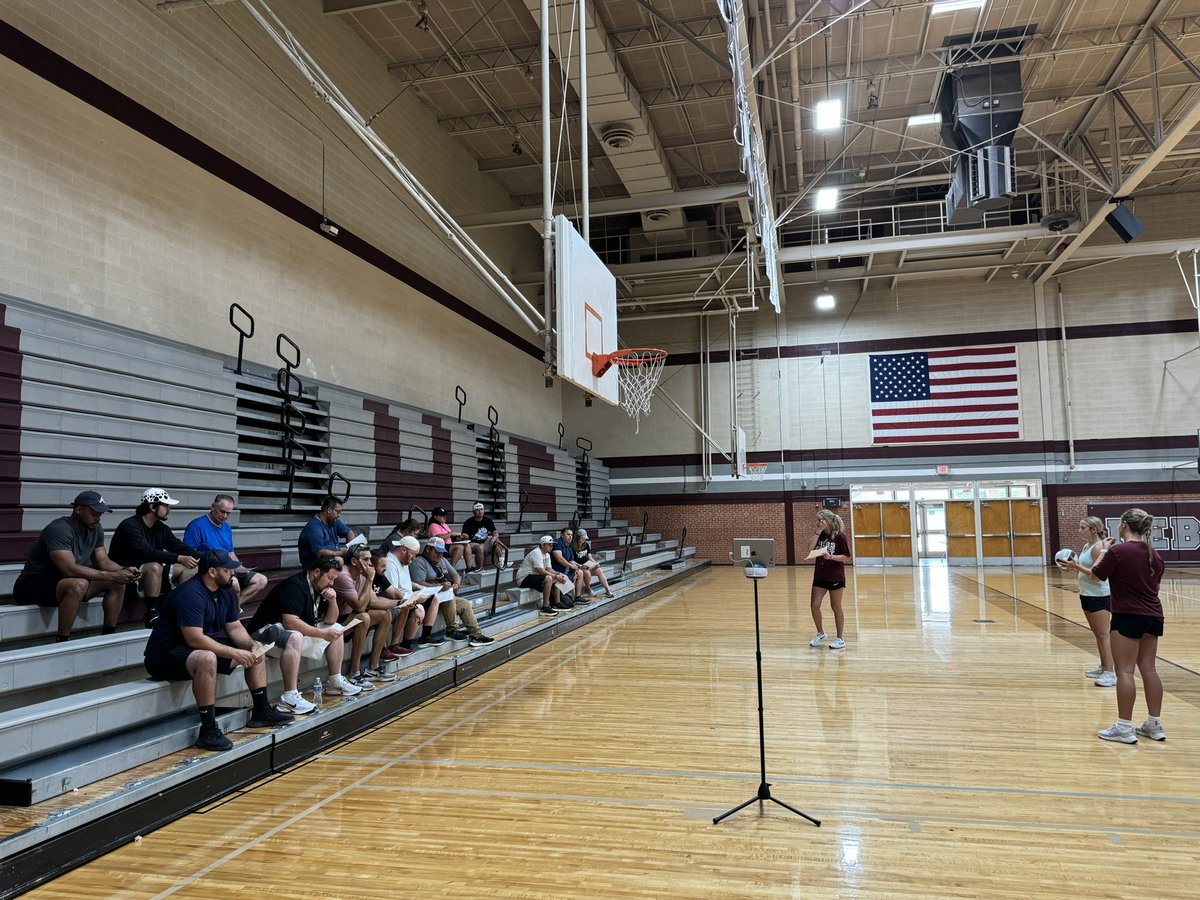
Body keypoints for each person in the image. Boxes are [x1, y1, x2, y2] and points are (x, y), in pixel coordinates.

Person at [144, 550, 294, 751]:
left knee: (255, 651)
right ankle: (208, 731)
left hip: (196, 648)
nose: (233, 573)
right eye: (227, 569)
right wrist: (234, 653)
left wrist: (250, 645)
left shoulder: (225, 591)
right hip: (164, 655)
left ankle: (262, 711)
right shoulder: (191, 593)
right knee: (207, 658)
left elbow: (234, 627)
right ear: (212, 572)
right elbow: (194, 638)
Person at [12, 490, 139, 641]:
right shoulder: (59, 529)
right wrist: (111, 574)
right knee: (78, 584)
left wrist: (123, 571)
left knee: (117, 582)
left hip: (62, 582)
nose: (98, 518)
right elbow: (68, 569)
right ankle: (62, 640)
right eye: (94, 513)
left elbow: (103, 561)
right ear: (78, 510)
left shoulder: (95, 528)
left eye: (100, 514)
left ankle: (108, 635)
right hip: (32, 583)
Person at [1091, 508, 1166, 744]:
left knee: (1124, 671)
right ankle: (1154, 725)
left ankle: (1124, 727)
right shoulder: (1154, 554)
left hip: (1127, 615)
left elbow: (1096, 575)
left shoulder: (1118, 551)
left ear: (1123, 525)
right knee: (1149, 669)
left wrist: (1103, 550)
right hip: (1154, 615)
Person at [246, 556, 363, 698]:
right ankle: (290, 695)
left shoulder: (321, 587)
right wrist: (321, 634)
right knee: (295, 636)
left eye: (334, 580)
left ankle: (335, 681)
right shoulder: (295, 586)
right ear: (316, 572)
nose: (331, 584)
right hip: (263, 633)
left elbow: (330, 620)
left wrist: (332, 601)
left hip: (288, 634)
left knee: (337, 629)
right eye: (329, 578)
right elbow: (290, 622)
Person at [108, 488, 200, 627]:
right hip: (124, 573)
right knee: (155, 566)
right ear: (152, 506)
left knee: (188, 568)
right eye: (166, 505)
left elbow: (179, 547)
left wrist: (210, 558)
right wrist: (179, 558)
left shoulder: (161, 528)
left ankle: (177, 609)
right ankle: (151, 613)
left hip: (147, 574)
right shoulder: (130, 525)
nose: (169, 509)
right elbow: (147, 552)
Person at [332, 544, 409, 685]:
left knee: (385, 614)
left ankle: (372, 669)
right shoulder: (344, 576)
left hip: (349, 617)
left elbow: (373, 601)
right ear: (354, 562)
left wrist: (400, 603)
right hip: (334, 623)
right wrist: (369, 580)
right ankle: (353, 673)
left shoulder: (362, 574)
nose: (370, 564)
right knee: (363, 617)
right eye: (366, 560)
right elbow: (360, 607)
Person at [1056, 517, 1115, 687]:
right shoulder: (1086, 546)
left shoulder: (1098, 548)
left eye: (1083, 528)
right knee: (1097, 634)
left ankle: (1111, 673)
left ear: (1093, 529)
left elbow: (1097, 576)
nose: (1079, 530)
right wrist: (1071, 568)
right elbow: (1086, 570)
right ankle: (1104, 667)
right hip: (1087, 594)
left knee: (1104, 635)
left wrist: (1076, 567)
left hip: (1099, 595)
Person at [179, 494, 268, 606]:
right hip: (210, 568)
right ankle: (229, 611)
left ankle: (233, 608)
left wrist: (241, 568)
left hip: (227, 566)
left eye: (228, 513)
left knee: (261, 580)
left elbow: (231, 553)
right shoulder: (197, 525)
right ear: (212, 507)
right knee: (234, 583)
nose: (225, 516)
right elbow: (188, 553)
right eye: (222, 511)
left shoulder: (226, 528)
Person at [410, 537, 495, 646]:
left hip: (442, 597)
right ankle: (452, 630)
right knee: (448, 594)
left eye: (442, 552)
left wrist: (456, 584)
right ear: (428, 550)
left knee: (464, 603)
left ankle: (476, 636)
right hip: (428, 600)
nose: (440, 555)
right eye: (437, 552)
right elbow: (418, 584)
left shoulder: (442, 560)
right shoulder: (419, 562)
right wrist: (440, 586)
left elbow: (456, 575)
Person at [384, 535, 446, 649]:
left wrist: (417, 586)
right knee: (420, 609)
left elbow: (406, 582)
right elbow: (392, 592)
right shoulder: (390, 563)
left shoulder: (404, 559)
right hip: (395, 602)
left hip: (407, 596)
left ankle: (425, 636)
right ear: (404, 550)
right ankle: (404, 644)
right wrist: (416, 600)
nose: (415, 557)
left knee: (434, 597)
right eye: (414, 554)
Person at [808, 509, 852, 650]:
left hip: (835, 576)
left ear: (826, 521)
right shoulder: (820, 535)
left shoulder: (839, 537)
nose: (817, 522)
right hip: (820, 575)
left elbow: (847, 556)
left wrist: (832, 557)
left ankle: (840, 638)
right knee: (814, 605)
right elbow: (810, 549)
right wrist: (817, 531)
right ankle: (821, 634)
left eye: (819, 520)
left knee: (836, 606)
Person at [372, 550, 422, 658]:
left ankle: (394, 645)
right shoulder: (367, 578)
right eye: (382, 566)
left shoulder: (381, 576)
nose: (385, 568)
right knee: (385, 613)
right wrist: (400, 602)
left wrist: (411, 603)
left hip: (376, 607)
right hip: (368, 610)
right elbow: (372, 601)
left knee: (404, 607)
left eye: (385, 565)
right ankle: (382, 648)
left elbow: (394, 592)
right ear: (372, 566)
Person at [297, 496, 357, 569]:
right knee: (339, 561)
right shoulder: (314, 527)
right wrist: (341, 553)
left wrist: (350, 550)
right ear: (329, 510)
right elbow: (320, 553)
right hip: (316, 565)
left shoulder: (334, 521)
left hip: (332, 561)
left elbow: (350, 533)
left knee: (361, 557)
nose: (339, 515)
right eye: (338, 512)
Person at [516, 535, 569, 615]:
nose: (551, 546)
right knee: (548, 578)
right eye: (549, 544)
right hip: (524, 578)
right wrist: (555, 576)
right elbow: (540, 571)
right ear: (542, 545)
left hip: (534, 577)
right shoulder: (536, 553)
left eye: (552, 544)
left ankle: (557, 604)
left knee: (558, 577)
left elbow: (549, 569)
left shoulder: (547, 554)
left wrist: (558, 574)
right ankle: (545, 607)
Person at [461, 502, 505, 570]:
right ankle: (480, 568)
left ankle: (501, 562)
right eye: (478, 510)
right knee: (480, 547)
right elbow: (465, 535)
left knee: (496, 541)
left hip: (485, 543)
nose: (480, 512)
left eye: (482, 509)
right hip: (473, 544)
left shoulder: (488, 520)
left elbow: (495, 533)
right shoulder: (468, 522)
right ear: (473, 512)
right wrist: (464, 536)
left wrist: (493, 539)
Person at [572, 528, 612, 598]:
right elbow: (571, 560)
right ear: (578, 537)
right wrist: (580, 566)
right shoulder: (572, 547)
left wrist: (595, 563)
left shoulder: (586, 545)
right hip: (580, 566)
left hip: (588, 564)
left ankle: (608, 590)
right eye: (582, 538)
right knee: (587, 573)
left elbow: (590, 557)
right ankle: (588, 589)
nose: (584, 540)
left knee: (599, 570)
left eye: (585, 538)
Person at [550, 526, 582, 605]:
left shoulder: (568, 548)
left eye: (571, 535)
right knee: (562, 576)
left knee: (580, 572)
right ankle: (557, 603)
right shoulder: (557, 543)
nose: (570, 536)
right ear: (562, 535)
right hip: (555, 570)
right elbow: (559, 559)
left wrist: (577, 568)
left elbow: (571, 561)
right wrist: (571, 566)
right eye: (568, 534)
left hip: (565, 570)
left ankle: (577, 597)